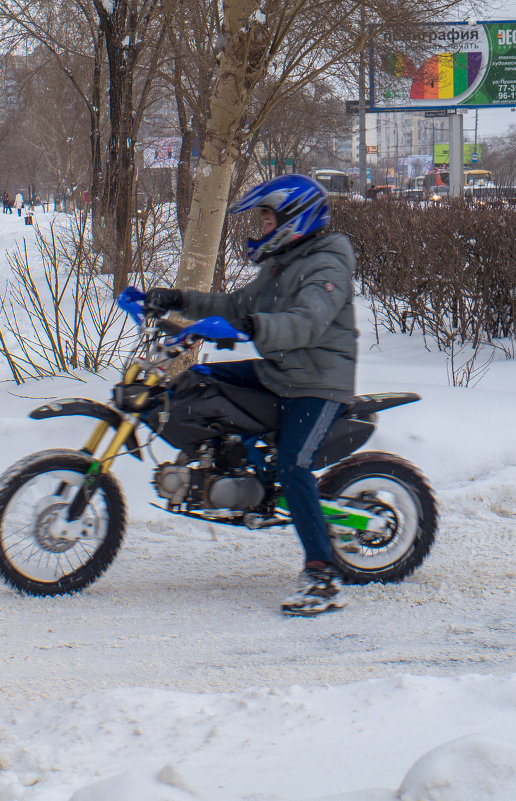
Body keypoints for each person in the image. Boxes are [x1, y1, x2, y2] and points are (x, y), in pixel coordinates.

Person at [143, 174, 358, 617]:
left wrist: (254, 328)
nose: (260, 226)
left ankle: (323, 575)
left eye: (266, 216)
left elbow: (307, 321)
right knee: (200, 378)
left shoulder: (328, 262)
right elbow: (235, 305)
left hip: (318, 381)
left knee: (293, 464)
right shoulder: (282, 261)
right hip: (280, 372)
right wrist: (177, 299)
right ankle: (236, 470)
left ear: (293, 218)